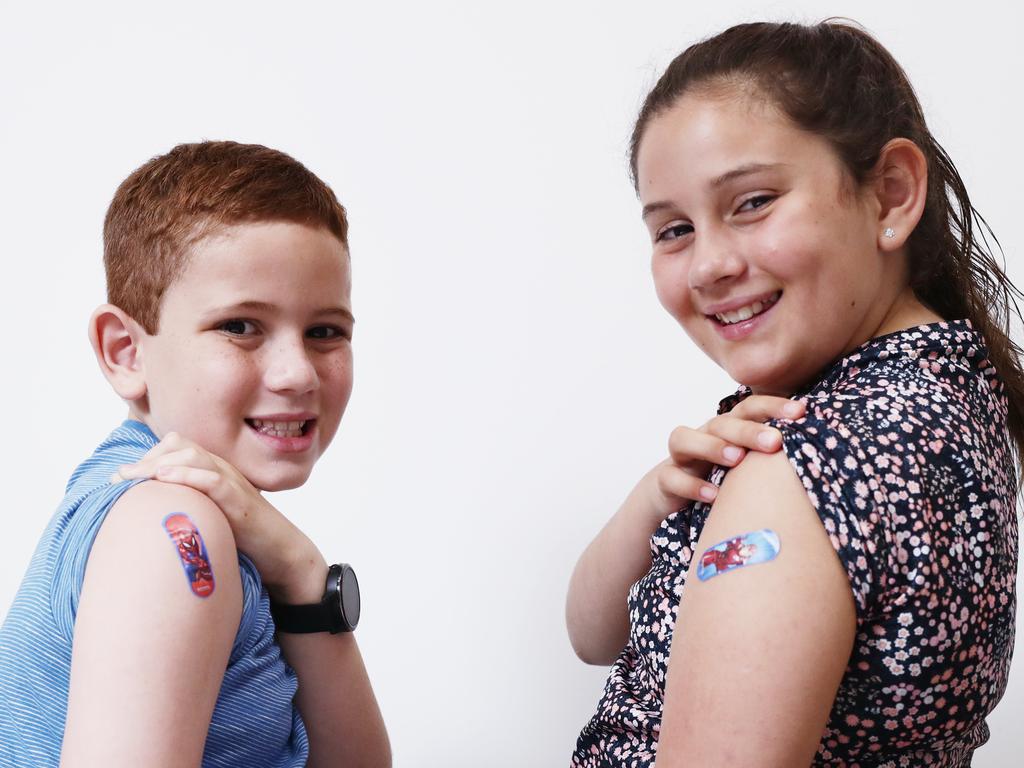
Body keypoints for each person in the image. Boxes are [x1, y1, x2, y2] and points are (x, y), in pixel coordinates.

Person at [566, 21, 1019, 767]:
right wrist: (656, 499)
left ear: (891, 196)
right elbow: (590, 636)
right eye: (673, 228)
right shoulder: (948, 398)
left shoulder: (801, 460)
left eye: (751, 202)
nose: (708, 264)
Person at [0, 141, 391, 767]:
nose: (296, 374)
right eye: (240, 326)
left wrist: (300, 571)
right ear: (126, 351)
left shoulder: (220, 524)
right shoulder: (172, 528)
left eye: (325, 332)